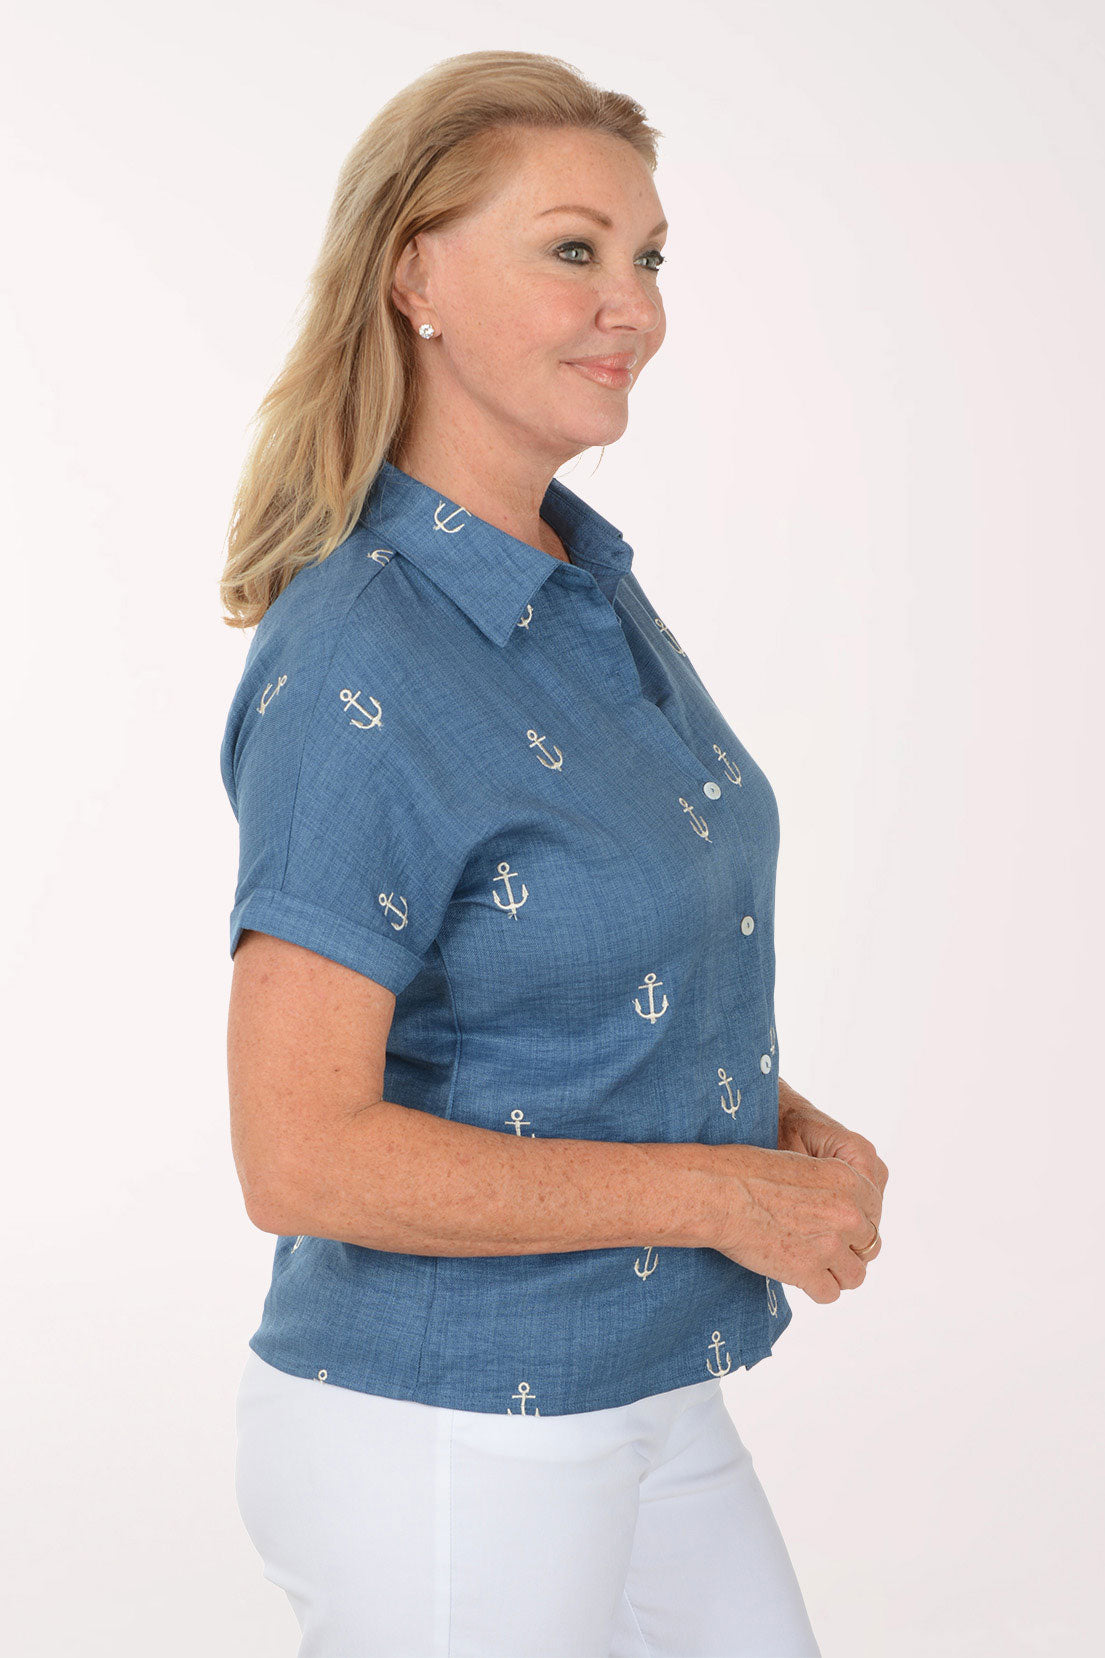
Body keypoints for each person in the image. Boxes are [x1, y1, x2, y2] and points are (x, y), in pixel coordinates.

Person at [218, 47, 888, 1658]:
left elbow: (599, 971)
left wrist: (787, 1142)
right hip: (450, 1431)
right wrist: (724, 1190)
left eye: (647, 257)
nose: (633, 306)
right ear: (414, 273)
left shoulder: (581, 587)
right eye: (574, 249)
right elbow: (297, 1153)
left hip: (645, 1379)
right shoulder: (361, 648)